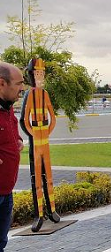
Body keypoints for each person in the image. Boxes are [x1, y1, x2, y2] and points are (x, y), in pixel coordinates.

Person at [20, 58, 60, 232]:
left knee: (48, 175)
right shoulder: (29, 94)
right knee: (36, 176)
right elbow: (24, 120)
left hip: (45, 139)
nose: (40, 76)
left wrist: (48, 130)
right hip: (36, 141)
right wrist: (33, 133)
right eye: (37, 73)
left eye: (42, 74)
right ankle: (40, 214)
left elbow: (52, 116)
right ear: (31, 75)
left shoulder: (45, 94)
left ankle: (52, 210)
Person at [0, 62, 26, 252]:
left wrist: (17, 141)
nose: (21, 89)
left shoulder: (7, 110)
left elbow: (12, 135)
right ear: (1, 83)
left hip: (5, 191)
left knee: (0, 243)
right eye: (18, 84)